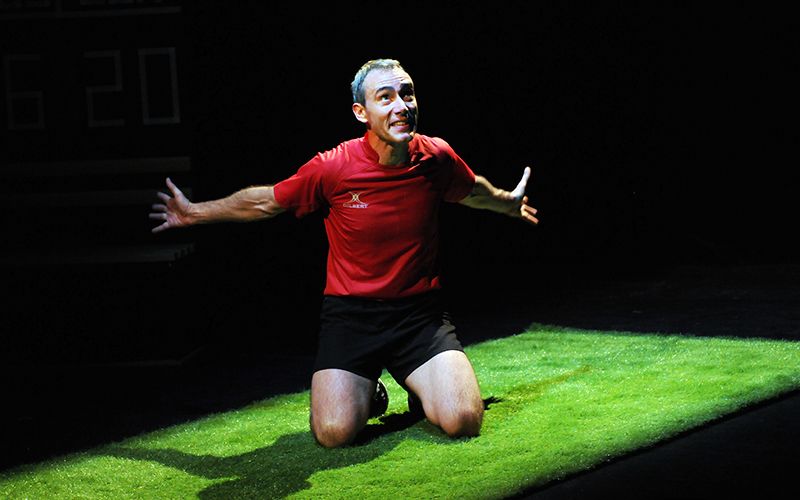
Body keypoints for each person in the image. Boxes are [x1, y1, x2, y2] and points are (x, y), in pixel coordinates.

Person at [150, 58, 539, 448]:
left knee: (464, 420)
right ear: (361, 112)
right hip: (352, 319)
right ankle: (370, 392)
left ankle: (421, 388)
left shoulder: (435, 157)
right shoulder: (334, 167)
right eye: (385, 97)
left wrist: (506, 202)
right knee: (334, 433)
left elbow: (471, 190)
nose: (401, 106)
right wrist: (194, 212)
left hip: (420, 317)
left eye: (407, 94)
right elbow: (266, 201)